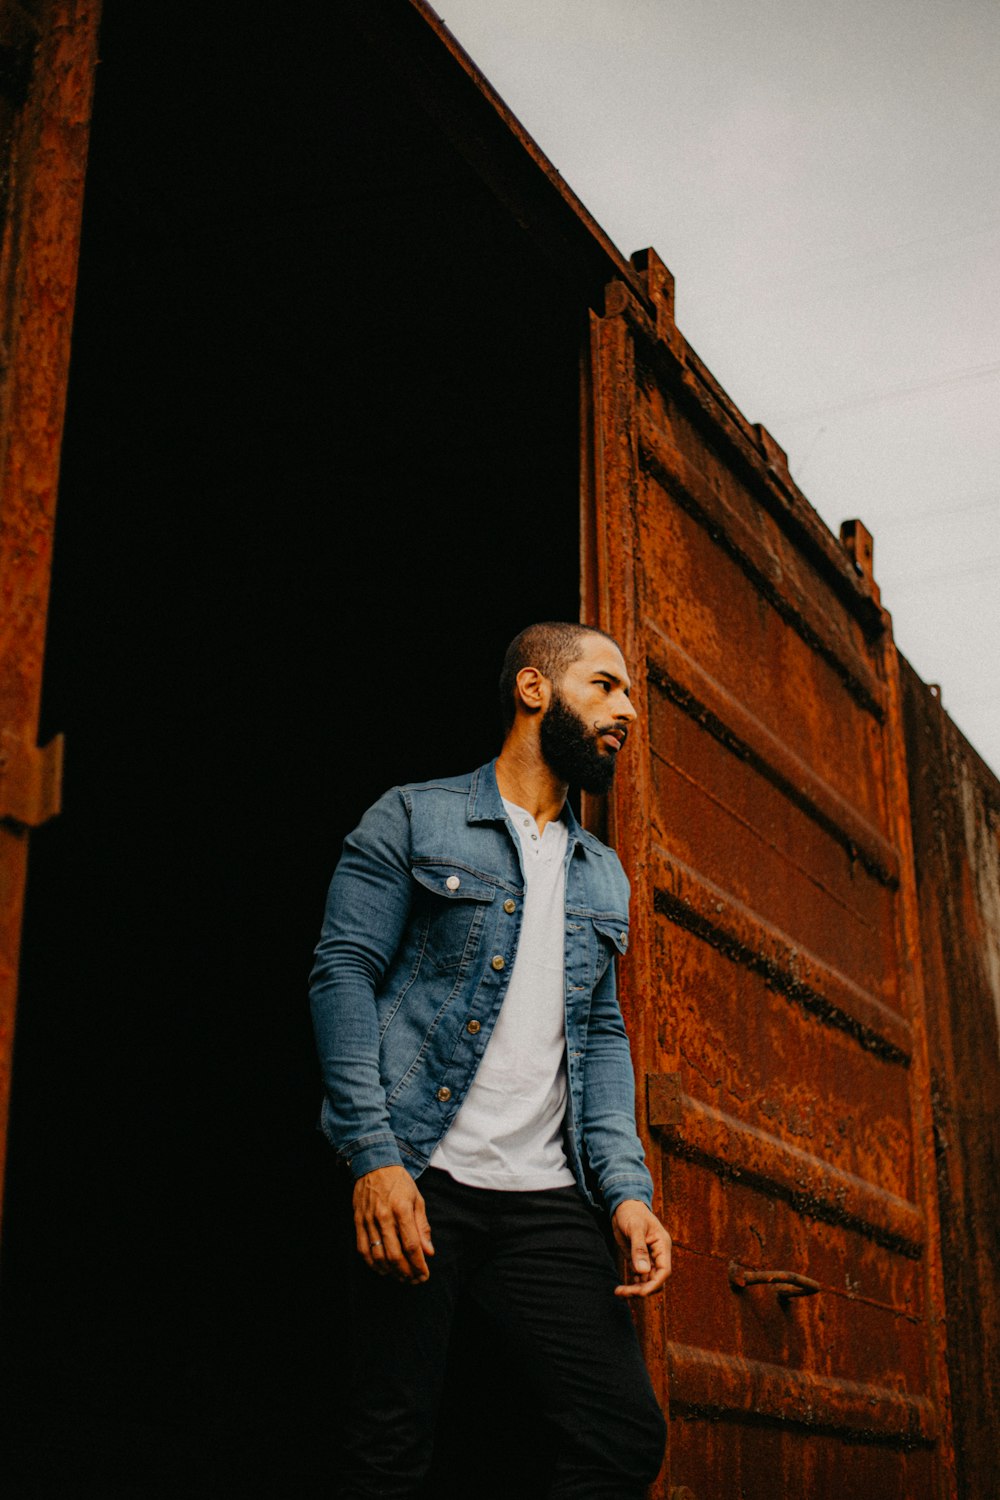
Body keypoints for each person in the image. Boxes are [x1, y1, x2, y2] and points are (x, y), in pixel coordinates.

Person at [310, 621, 670, 1497]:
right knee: (389, 1443)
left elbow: (600, 1034)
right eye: (605, 686)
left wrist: (626, 1192)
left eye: (628, 695)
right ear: (533, 690)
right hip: (420, 1173)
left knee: (622, 1434)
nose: (626, 711)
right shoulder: (413, 815)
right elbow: (342, 972)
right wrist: (374, 1159)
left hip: (545, 1196)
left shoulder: (601, 873)